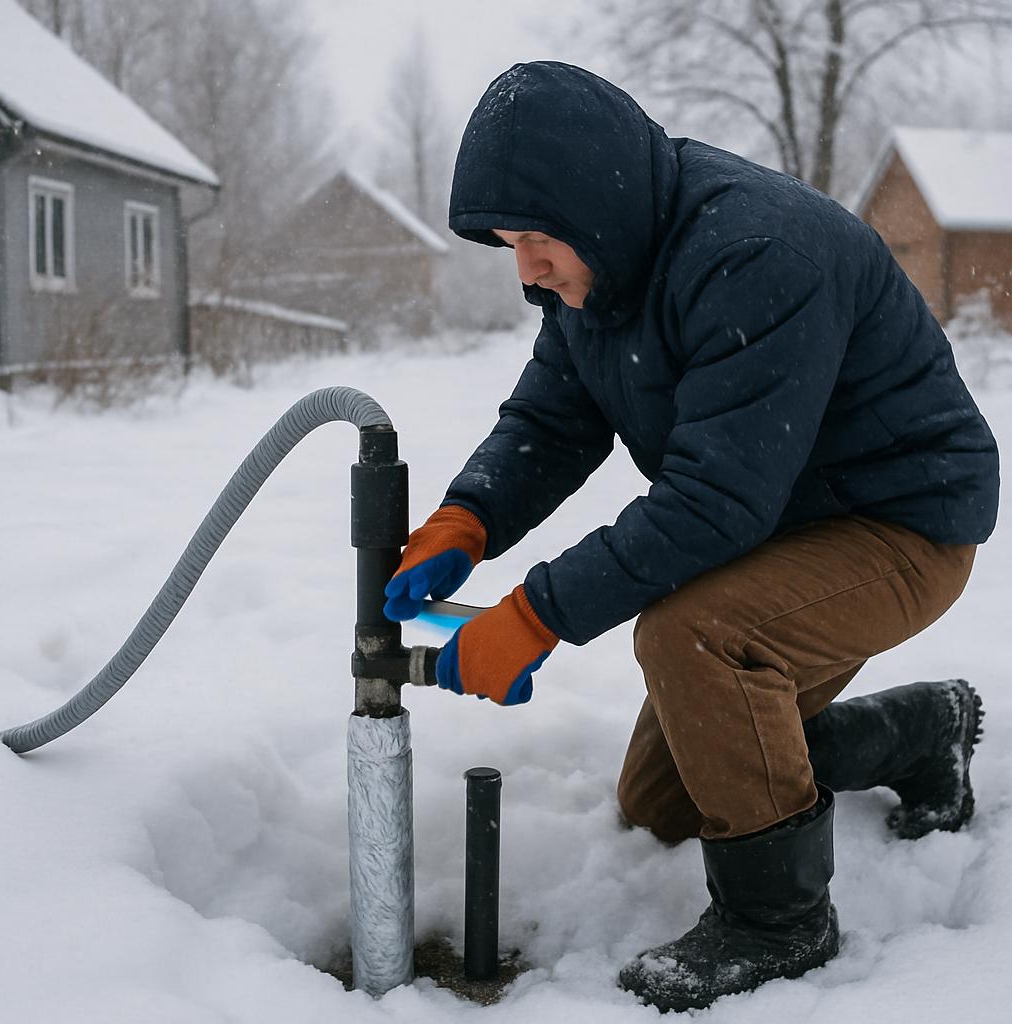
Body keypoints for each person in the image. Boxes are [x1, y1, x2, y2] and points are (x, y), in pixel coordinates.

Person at [383, 61, 999, 1012]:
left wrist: (537, 615)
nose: (527, 269)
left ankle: (779, 923)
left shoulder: (757, 252)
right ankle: (920, 733)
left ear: (592, 205)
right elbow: (551, 420)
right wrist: (469, 517)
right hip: (787, 521)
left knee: (696, 636)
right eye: (510, 245)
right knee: (665, 801)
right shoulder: (602, 271)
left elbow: (714, 502)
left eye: (537, 239)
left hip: (902, 520)